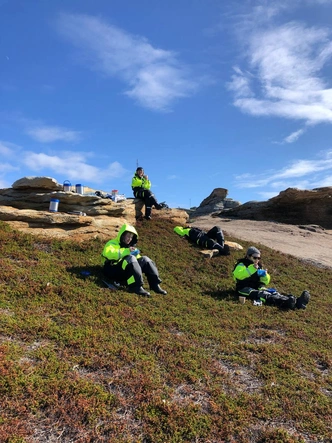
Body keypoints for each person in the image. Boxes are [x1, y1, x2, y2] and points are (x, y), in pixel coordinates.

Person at [232, 246, 310, 309]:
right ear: (248, 256)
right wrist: (252, 268)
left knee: (273, 292)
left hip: (257, 287)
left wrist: (265, 275)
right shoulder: (241, 264)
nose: (257, 260)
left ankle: (297, 301)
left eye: (259, 258)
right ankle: (287, 303)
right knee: (263, 295)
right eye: (255, 257)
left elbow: (265, 282)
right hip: (243, 288)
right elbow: (238, 275)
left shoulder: (258, 266)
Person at [101, 223, 167, 297]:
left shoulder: (130, 247)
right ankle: (135, 286)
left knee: (145, 259)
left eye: (131, 237)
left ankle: (154, 285)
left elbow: (137, 261)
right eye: (128, 236)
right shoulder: (112, 243)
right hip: (112, 270)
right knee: (130, 258)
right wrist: (127, 251)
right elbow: (109, 254)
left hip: (124, 271)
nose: (129, 239)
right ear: (122, 235)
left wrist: (135, 254)